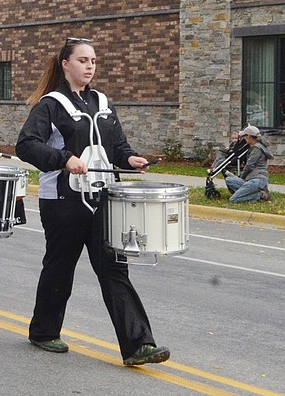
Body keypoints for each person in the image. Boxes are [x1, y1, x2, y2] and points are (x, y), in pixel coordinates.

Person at [14, 37, 170, 367]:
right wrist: (63, 159)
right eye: (83, 60)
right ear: (65, 64)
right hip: (63, 201)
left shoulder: (102, 102)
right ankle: (44, 331)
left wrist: (130, 160)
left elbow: (119, 146)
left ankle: (138, 345)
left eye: (94, 61)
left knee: (115, 269)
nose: (89, 66)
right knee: (59, 267)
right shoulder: (50, 105)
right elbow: (26, 145)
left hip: (103, 200)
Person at [223, 125, 272, 203]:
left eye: (244, 136)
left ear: (249, 136)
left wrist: (242, 177)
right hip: (250, 179)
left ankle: (260, 195)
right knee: (229, 180)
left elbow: (249, 166)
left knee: (233, 200)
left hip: (257, 180)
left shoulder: (257, 149)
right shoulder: (254, 147)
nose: (244, 138)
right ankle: (248, 193)